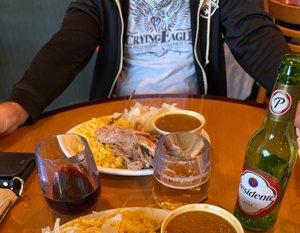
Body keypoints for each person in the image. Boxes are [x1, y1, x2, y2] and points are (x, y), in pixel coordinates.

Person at [0, 0, 294, 138]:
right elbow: (69, 43)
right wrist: (20, 104)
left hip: (197, 119)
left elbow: (254, 35)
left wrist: (295, 95)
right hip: (120, 119)